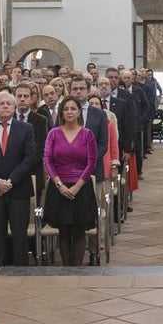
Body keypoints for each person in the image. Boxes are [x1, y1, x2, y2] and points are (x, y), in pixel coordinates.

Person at [0, 91, 37, 267]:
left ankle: (22, 272)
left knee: (20, 236)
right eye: (0, 103)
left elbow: (30, 158)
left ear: (14, 107)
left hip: (18, 189)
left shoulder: (26, 128)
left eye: (8, 104)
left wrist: (10, 181)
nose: (4, 106)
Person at [43, 97, 98, 266]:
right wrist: (59, 185)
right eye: (66, 109)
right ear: (61, 112)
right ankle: (66, 268)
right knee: (64, 230)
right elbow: (47, 159)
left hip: (81, 188)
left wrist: (77, 186)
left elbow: (92, 162)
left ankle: (78, 268)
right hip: (59, 187)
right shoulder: (53, 133)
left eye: (73, 108)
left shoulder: (87, 134)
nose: (69, 112)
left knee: (79, 231)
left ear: (79, 112)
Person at [69, 77, 109, 182]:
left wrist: (89, 160)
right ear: (70, 91)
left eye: (81, 88)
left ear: (88, 91)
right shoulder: (64, 112)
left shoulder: (99, 114)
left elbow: (103, 144)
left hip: (93, 170)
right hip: (68, 170)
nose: (78, 92)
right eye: (75, 89)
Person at [14, 82, 49, 200]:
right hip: (10, 173)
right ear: (14, 98)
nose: (22, 99)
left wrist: (23, 166)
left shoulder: (40, 120)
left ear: (31, 99)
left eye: (26, 96)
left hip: (33, 171)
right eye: (19, 96)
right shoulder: (7, 117)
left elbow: (40, 146)